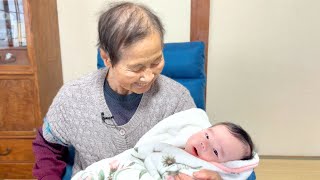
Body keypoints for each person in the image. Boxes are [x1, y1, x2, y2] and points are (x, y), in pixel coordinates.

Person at [32, 2, 222, 180]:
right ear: (106, 58)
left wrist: (211, 174)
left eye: (156, 62)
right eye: (136, 68)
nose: (148, 76)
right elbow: (48, 145)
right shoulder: (73, 98)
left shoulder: (177, 100)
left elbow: (202, 154)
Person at [71, 119, 258, 180]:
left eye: (215, 152)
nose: (204, 144)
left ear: (225, 166)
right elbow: (138, 154)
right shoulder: (170, 142)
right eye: (207, 136)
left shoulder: (203, 173)